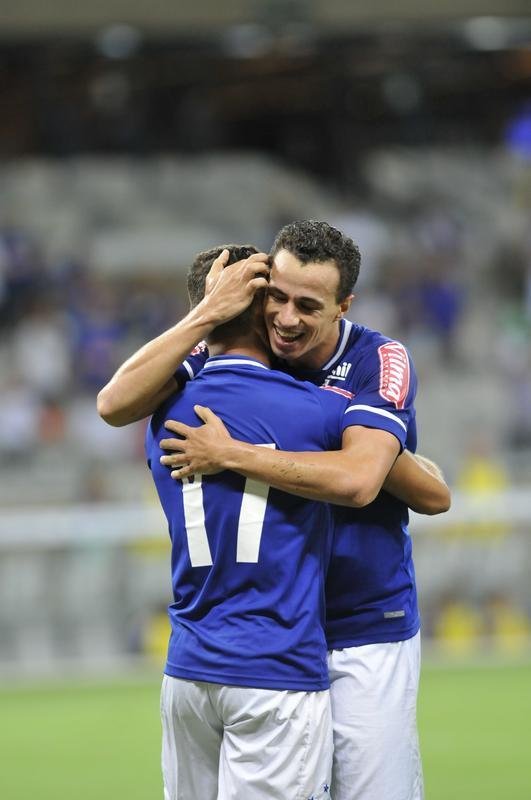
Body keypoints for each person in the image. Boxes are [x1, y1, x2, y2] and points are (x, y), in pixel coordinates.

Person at [98, 222, 450, 800]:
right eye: (276, 299)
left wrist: (232, 454)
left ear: (344, 305)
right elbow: (112, 403)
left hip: (360, 623)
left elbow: (370, 482)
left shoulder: (377, 358)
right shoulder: (247, 348)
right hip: (276, 639)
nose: (286, 318)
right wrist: (207, 313)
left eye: (307, 306)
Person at [146, 243, 349, 800]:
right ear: (263, 312)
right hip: (275, 668)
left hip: (188, 669)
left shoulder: (163, 410)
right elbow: (392, 480)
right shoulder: (318, 411)